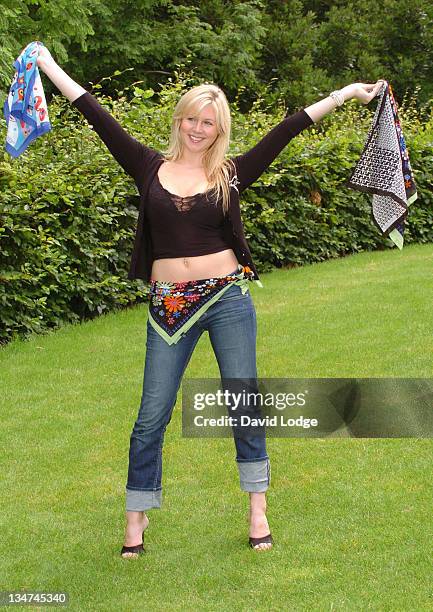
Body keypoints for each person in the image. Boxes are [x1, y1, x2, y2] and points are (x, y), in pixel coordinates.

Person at [36, 44, 383, 556]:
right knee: (151, 413)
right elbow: (93, 110)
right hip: (168, 306)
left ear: (219, 130)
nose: (199, 128)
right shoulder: (146, 166)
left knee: (242, 403)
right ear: (180, 121)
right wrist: (46, 64)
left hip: (226, 300)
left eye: (210, 123)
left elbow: (289, 129)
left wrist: (346, 93)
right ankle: (136, 520)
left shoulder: (230, 174)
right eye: (192, 119)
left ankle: (258, 509)